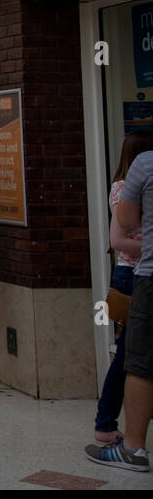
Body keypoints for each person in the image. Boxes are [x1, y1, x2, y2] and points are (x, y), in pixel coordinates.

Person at [88, 148, 153, 472]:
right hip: (134, 275)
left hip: (146, 275)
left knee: (137, 359)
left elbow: (123, 224)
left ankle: (131, 445)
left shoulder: (144, 165)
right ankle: (109, 423)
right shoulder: (134, 173)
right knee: (132, 353)